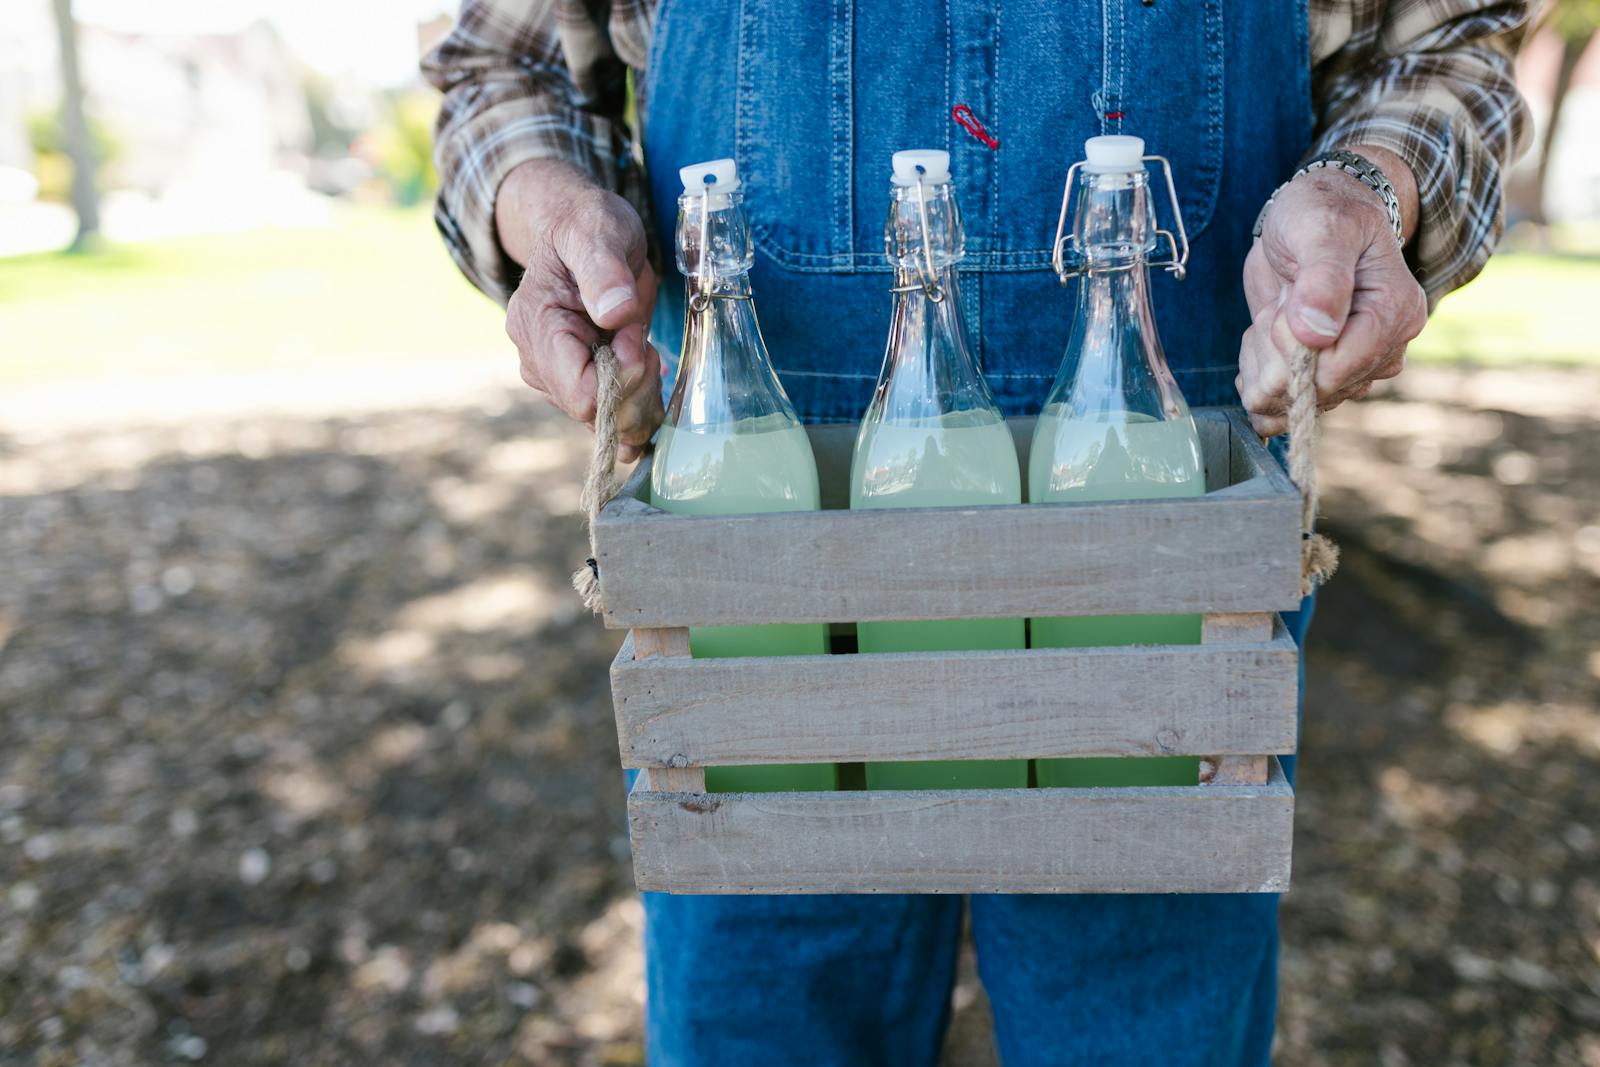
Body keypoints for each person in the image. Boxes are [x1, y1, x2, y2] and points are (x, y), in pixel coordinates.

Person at [424, 2, 1531, 1063]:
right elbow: (499, 65)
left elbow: (1447, 39)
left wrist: (1362, 191)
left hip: (1164, 614)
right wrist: (549, 208)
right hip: (754, 627)